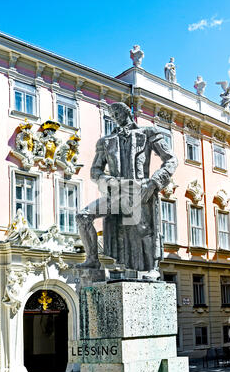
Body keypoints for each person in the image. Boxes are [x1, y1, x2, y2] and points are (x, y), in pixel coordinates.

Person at [76, 102, 178, 280]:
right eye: (111, 114)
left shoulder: (148, 133)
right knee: (83, 216)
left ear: (126, 112)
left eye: (117, 112)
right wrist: (108, 181)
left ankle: (152, 267)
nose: (114, 116)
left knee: (144, 229)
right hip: (116, 192)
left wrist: (154, 182)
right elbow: (95, 171)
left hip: (139, 189)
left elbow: (171, 160)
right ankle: (92, 259)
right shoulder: (105, 142)